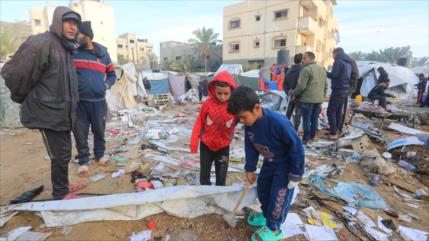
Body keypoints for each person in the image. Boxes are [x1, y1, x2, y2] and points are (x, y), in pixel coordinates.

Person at [1, 7, 83, 200]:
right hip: (48, 112)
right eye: (69, 22)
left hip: (62, 112)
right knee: (60, 155)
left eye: (76, 24)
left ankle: (63, 185)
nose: (73, 27)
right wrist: (22, 98)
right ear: (57, 21)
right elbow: (15, 73)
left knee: (63, 152)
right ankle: (60, 193)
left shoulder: (66, 48)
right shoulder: (42, 43)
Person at [227, 86, 304, 241]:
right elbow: (250, 146)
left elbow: (296, 146)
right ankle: (267, 215)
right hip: (269, 164)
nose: (242, 121)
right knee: (263, 191)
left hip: (285, 167)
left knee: (278, 197)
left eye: (243, 117)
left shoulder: (278, 123)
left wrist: (296, 173)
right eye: (239, 118)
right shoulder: (250, 126)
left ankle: (274, 228)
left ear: (256, 108)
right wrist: (250, 168)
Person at [72, 21, 116, 176]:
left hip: (98, 102)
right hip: (79, 103)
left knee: (99, 131)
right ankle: (83, 161)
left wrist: (106, 85)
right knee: (80, 133)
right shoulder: (73, 53)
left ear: (87, 36)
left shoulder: (103, 54)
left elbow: (112, 74)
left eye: (79, 34)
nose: (77, 37)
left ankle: (100, 155)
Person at [190, 71, 237, 186]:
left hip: (223, 146)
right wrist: (194, 144)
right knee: (204, 176)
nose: (222, 97)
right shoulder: (207, 104)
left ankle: (218, 197)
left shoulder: (234, 106)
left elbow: (242, 118)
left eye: (226, 94)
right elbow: (199, 123)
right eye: (219, 93)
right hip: (206, 145)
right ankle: (206, 197)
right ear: (213, 90)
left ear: (231, 91)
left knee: (221, 177)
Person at [292, 52, 327, 144]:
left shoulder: (306, 70)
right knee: (314, 119)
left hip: (308, 100)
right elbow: (325, 85)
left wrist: (294, 93)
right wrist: (322, 97)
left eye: (304, 58)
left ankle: (306, 139)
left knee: (306, 120)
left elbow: (301, 87)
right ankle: (312, 137)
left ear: (310, 58)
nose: (302, 60)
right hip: (318, 100)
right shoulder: (321, 69)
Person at [326, 48, 352, 140]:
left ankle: (333, 133)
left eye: (332, 55)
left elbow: (334, 75)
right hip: (345, 90)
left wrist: (325, 72)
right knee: (338, 111)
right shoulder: (348, 62)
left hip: (338, 89)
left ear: (336, 53)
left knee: (330, 111)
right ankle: (336, 129)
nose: (332, 57)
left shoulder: (338, 61)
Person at [339, 54, 359, 133]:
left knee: (342, 108)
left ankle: (340, 126)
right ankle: (340, 126)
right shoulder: (352, 63)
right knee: (343, 108)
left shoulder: (348, 62)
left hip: (347, 88)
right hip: (350, 88)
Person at [283, 53, 303, 130]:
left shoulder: (289, 71)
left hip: (290, 95)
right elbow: (301, 84)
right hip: (299, 96)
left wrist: (288, 92)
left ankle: (285, 128)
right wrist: (296, 93)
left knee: (288, 113)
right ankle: (295, 130)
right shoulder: (302, 70)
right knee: (298, 113)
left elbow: (284, 84)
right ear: (302, 60)